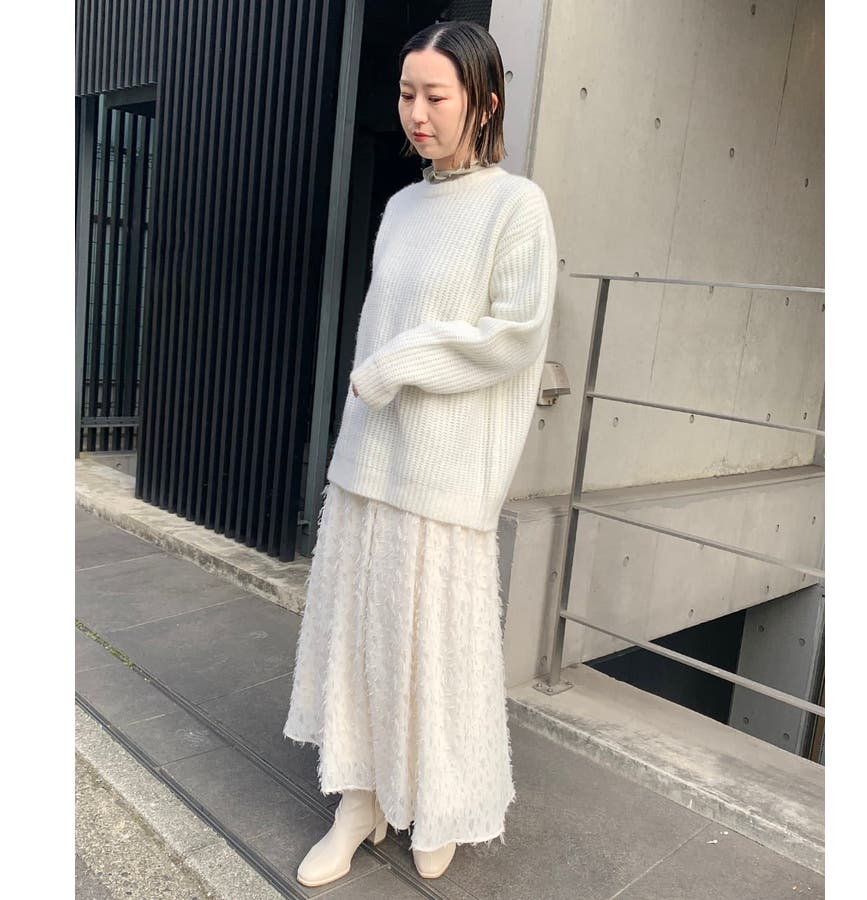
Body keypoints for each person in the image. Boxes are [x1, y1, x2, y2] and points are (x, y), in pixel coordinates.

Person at [282, 19, 558, 888]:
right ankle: (358, 802)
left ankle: (438, 801)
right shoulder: (402, 208)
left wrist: (401, 361)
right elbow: (376, 324)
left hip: (445, 476)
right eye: (407, 94)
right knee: (362, 645)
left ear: (486, 101)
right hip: (370, 464)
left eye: (436, 95)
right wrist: (366, 399)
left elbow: (514, 335)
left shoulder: (517, 206)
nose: (417, 113)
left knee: (435, 655)